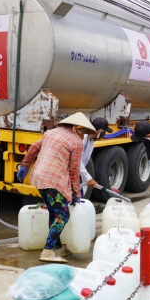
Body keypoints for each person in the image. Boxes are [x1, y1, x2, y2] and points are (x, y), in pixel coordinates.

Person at [17, 112, 96, 263]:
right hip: (54, 181)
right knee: (63, 216)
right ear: (76, 128)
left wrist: (24, 166)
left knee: (54, 213)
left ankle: (58, 247)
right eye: (83, 131)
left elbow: (34, 148)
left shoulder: (50, 133)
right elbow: (74, 170)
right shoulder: (76, 142)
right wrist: (76, 193)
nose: (83, 135)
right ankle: (47, 251)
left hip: (39, 177)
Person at [80, 117, 113, 189]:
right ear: (100, 131)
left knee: (78, 197)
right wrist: (88, 178)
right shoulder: (83, 139)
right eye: (104, 131)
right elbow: (77, 161)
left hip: (77, 172)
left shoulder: (91, 140)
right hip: (70, 172)